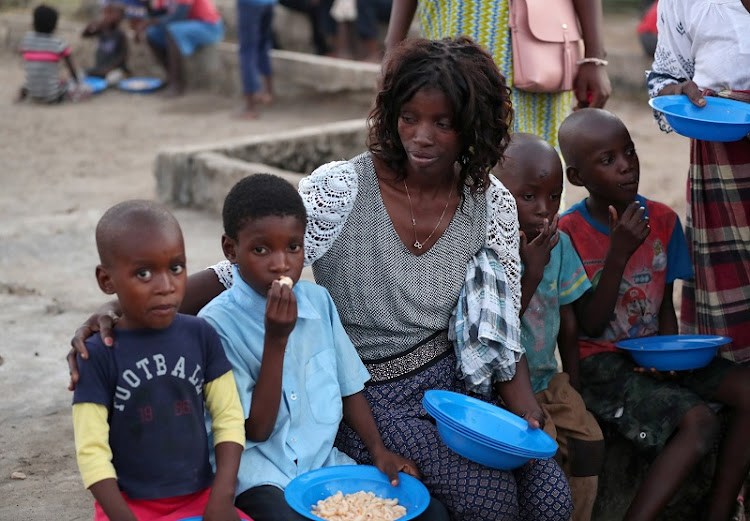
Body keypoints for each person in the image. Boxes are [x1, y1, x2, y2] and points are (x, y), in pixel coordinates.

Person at [69, 37, 574, 520]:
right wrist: (117, 314)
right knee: (489, 502)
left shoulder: (489, 203)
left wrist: (525, 411)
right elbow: (240, 272)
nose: (422, 136)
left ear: (472, 127)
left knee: (551, 497)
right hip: (368, 397)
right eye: (409, 118)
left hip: (458, 392)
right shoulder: (345, 188)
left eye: (443, 123)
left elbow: (501, 330)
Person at [197, 173, 449, 521]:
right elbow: (256, 430)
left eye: (293, 247)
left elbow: (349, 387)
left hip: (322, 467)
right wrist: (276, 340)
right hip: (258, 475)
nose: (281, 264)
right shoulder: (216, 327)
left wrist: (379, 451)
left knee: (430, 514)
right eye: (260, 249)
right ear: (231, 250)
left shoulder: (318, 303)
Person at [557, 108, 750, 521]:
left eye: (629, 152)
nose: (626, 166)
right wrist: (618, 254)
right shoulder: (568, 233)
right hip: (602, 365)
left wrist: (670, 360)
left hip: (655, 356)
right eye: (607, 160)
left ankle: (719, 513)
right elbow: (589, 325)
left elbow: (665, 306)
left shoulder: (662, 220)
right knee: (698, 423)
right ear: (577, 178)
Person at [72, 200, 250, 521]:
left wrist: (222, 496)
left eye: (176, 268)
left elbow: (228, 418)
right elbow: (91, 450)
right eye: (143, 273)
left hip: (201, 496)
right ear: (106, 281)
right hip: (128, 506)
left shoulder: (201, 336)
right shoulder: (98, 354)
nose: (166, 286)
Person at [494, 133, 604, 521]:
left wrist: (571, 380)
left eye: (554, 196)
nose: (544, 209)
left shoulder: (560, 245)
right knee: (544, 454)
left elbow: (568, 321)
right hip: (505, 388)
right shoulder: (490, 250)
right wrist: (532, 270)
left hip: (548, 378)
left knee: (590, 441)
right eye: (529, 196)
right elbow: (500, 328)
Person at [647, 0, 750, 363]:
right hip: (724, 167)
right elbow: (663, 82)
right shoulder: (688, 3)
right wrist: (676, 94)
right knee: (732, 319)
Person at [383, 0, 611, 149]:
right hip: (448, 38)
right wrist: (392, 48)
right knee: (450, 147)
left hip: (536, 53)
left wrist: (594, 56)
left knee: (533, 166)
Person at [134, 0, 225, 96]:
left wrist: (149, 22)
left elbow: (179, 16)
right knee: (152, 34)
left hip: (208, 27)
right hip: (185, 25)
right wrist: (145, 6)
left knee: (173, 31)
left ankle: (178, 84)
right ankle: (170, 77)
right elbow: (159, 13)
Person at [17, 4, 86, 103]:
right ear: (54, 24)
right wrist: (78, 83)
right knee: (67, 84)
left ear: (34, 22)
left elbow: (23, 55)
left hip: (32, 92)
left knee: (35, 80)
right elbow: (71, 67)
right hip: (52, 96)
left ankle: (25, 94)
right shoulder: (58, 42)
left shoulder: (27, 39)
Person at [235, 0, 275, 118]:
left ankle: (250, 107)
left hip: (250, 3)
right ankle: (269, 92)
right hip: (268, 3)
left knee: (247, 50)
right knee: (263, 45)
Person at [81, 1, 130, 85]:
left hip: (114, 69)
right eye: (106, 13)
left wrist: (109, 69)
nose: (107, 17)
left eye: (111, 14)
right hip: (100, 68)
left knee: (111, 79)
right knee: (80, 74)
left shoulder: (120, 34)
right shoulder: (101, 29)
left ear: (119, 18)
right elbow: (85, 35)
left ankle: (123, 76)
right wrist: (92, 25)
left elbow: (123, 56)